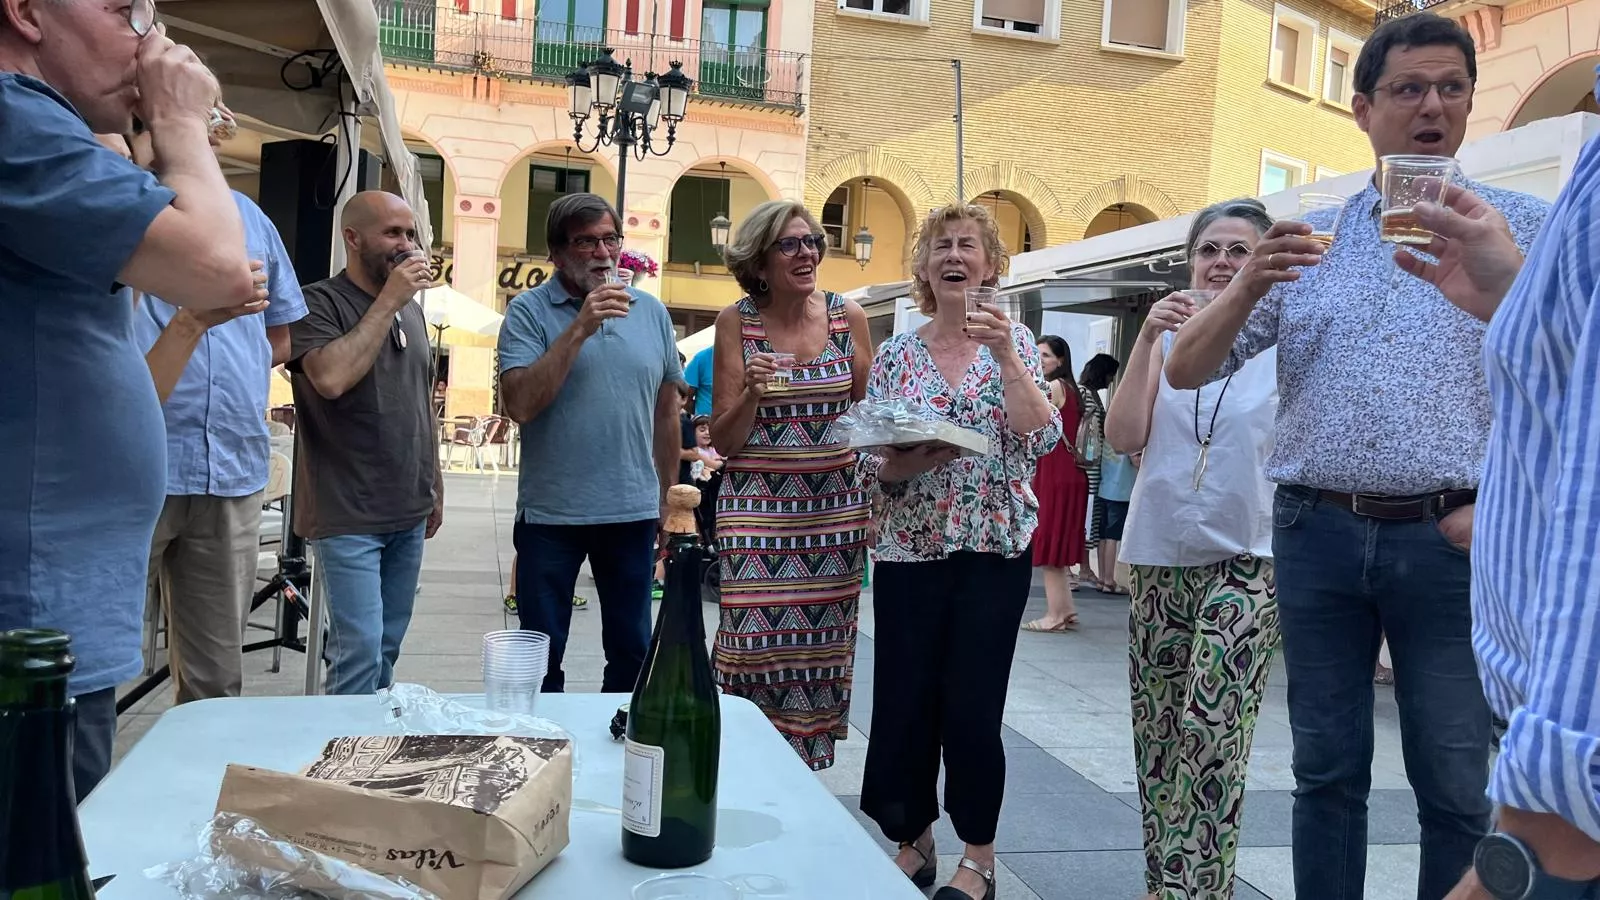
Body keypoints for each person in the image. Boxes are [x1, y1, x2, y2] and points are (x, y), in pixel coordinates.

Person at [1162, 15, 1551, 898]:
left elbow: (1572, 376)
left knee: (1455, 782)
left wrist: (1499, 505)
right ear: (1364, 109)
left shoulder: (1520, 229)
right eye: (1409, 89)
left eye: (1451, 88)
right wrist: (1247, 280)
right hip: (1318, 533)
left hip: (1453, 536)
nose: (1433, 107)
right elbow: (1187, 370)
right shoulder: (1311, 244)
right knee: (1326, 773)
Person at [0, 2, 260, 799]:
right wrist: (180, 124)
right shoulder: (15, 118)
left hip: (50, 605)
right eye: (126, 10)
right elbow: (216, 269)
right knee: (39, 846)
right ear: (26, 11)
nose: (152, 39)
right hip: (30, 618)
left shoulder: (40, 126)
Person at [1386, 163, 1600, 899]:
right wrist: (1518, 300)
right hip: (1561, 783)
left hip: (1571, 815)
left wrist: (1534, 851)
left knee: (1450, 784)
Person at [858, 203, 1060, 900]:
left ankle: (980, 857)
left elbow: (1039, 439)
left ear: (991, 265)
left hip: (991, 548)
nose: (953, 255)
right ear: (922, 267)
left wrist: (1005, 355)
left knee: (973, 706)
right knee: (904, 699)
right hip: (909, 548)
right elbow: (872, 457)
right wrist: (907, 460)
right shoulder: (897, 353)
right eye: (940, 245)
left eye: (967, 245)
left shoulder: (1018, 342)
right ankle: (913, 840)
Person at [1104, 198, 1281, 900]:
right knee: (1160, 733)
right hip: (1161, 551)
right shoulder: (1167, 339)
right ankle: (1164, 881)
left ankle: (1193, 891)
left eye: (1240, 250)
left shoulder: (1282, 338)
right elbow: (1124, 437)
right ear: (1189, 263)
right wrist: (1147, 337)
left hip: (1251, 552)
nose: (1222, 263)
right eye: (1209, 249)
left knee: (1211, 730)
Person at [132, 110, 308, 703]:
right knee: (94, 661)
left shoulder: (250, 218)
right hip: (138, 463)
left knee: (215, 678)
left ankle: (194, 766)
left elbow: (280, 336)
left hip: (231, 466)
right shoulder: (122, 203)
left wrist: (236, 368)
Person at [707, 200, 872, 771]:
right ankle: (741, 761)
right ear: (760, 260)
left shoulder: (848, 316)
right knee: (751, 645)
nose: (807, 253)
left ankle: (798, 777)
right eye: (790, 244)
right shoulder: (737, 322)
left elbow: (868, 417)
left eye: (812, 242)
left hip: (834, 515)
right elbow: (723, 441)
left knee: (818, 653)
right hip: (756, 512)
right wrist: (752, 393)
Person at [499, 193, 682, 693]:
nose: (603, 253)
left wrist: (668, 497)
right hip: (550, 516)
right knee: (539, 657)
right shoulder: (528, 312)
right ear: (557, 254)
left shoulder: (651, 312)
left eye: (610, 239)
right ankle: (539, 738)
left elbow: (666, 411)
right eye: (585, 242)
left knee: (632, 652)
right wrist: (580, 327)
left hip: (631, 511)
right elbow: (520, 404)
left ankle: (620, 737)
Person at [287, 191, 444, 696]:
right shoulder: (318, 302)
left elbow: (421, 400)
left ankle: (373, 741)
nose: (407, 244)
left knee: (387, 649)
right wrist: (388, 301)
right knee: (358, 652)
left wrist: (435, 483)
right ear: (352, 238)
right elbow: (330, 379)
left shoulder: (412, 311)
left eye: (411, 233)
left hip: (408, 508)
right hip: (347, 512)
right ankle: (343, 747)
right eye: (393, 233)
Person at [1022, 334, 1089, 633]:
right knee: (1058, 545)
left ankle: (1054, 614)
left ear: (1060, 360)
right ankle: (1065, 608)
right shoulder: (1072, 389)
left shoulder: (1053, 388)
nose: (1039, 360)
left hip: (1056, 475)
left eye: (1046, 355)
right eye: (1037, 354)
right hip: (1070, 474)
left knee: (1049, 542)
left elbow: (1027, 417)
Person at [1078, 352, 1121, 591]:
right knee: (1086, 515)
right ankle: (1082, 567)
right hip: (1088, 464)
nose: (1111, 380)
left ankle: (1085, 567)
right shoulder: (1085, 393)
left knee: (1090, 516)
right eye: (1110, 374)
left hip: (1094, 464)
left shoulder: (1091, 394)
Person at [685, 344, 715, 417]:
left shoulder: (741, 357)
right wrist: (701, 417)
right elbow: (685, 399)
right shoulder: (701, 359)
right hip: (707, 422)